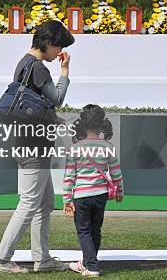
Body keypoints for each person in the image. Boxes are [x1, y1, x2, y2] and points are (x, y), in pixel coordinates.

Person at [0, 20, 74, 274]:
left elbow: (31, 105)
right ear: (48, 43)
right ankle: (2, 260)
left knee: (45, 203)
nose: (59, 52)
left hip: (28, 140)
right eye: (58, 46)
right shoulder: (37, 67)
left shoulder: (23, 63)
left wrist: (50, 117)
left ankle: (43, 259)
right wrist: (65, 72)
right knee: (29, 204)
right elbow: (57, 97)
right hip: (33, 145)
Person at [63, 105, 124, 278]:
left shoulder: (74, 148)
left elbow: (69, 177)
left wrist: (67, 200)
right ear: (102, 124)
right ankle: (87, 262)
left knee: (84, 231)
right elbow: (116, 173)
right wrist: (120, 191)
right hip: (100, 195)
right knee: (95, 231)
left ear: (81, 123)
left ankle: (92, 266)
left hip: (81, 196)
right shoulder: (108, 146)